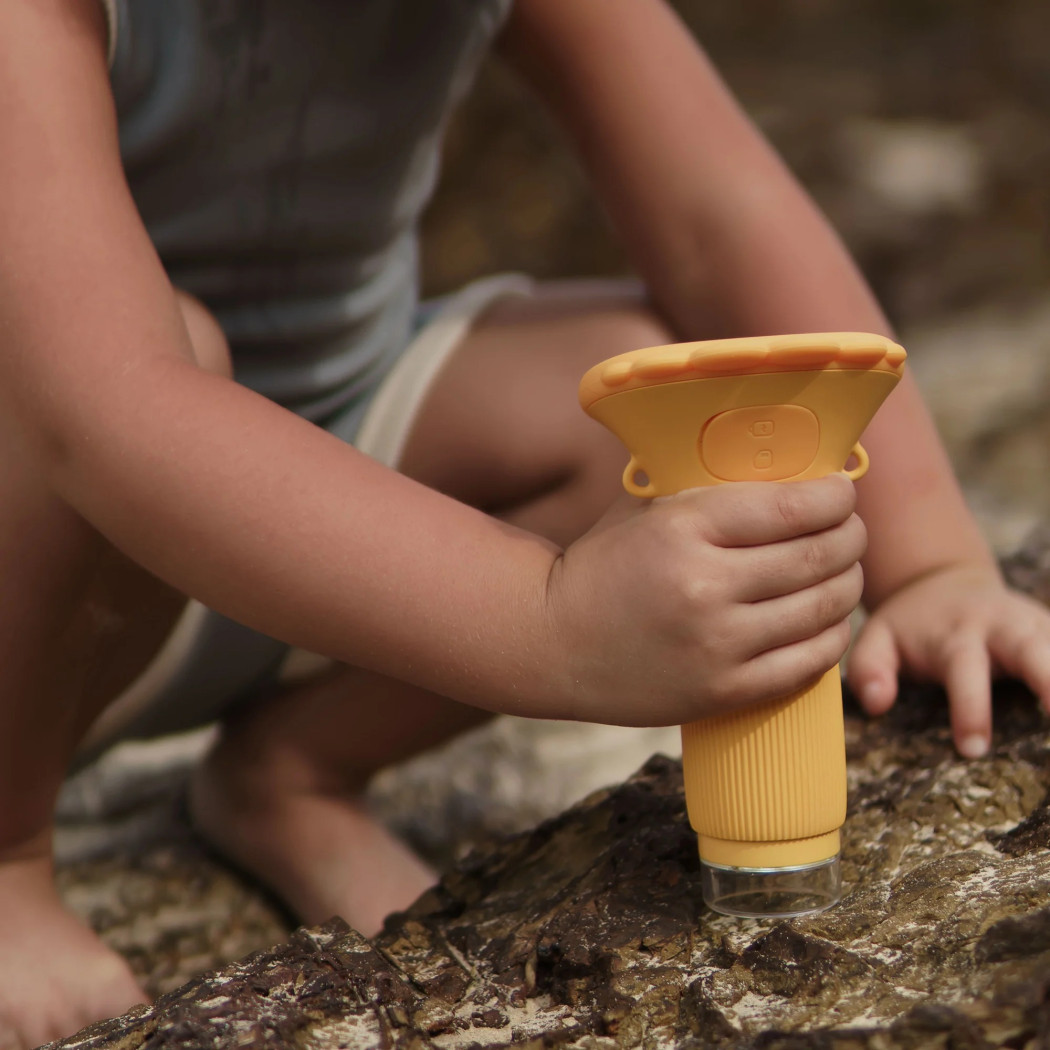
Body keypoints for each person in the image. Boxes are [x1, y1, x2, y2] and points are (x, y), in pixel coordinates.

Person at [2, 0, 1049, 1043]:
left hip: (328, 486)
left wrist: (930, 563)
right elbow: (102, 410)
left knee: (638, 396)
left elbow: (717, 211)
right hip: (51, 559)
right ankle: (8, 853)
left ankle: (292, 769)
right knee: (111, 366)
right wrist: (555, 622)